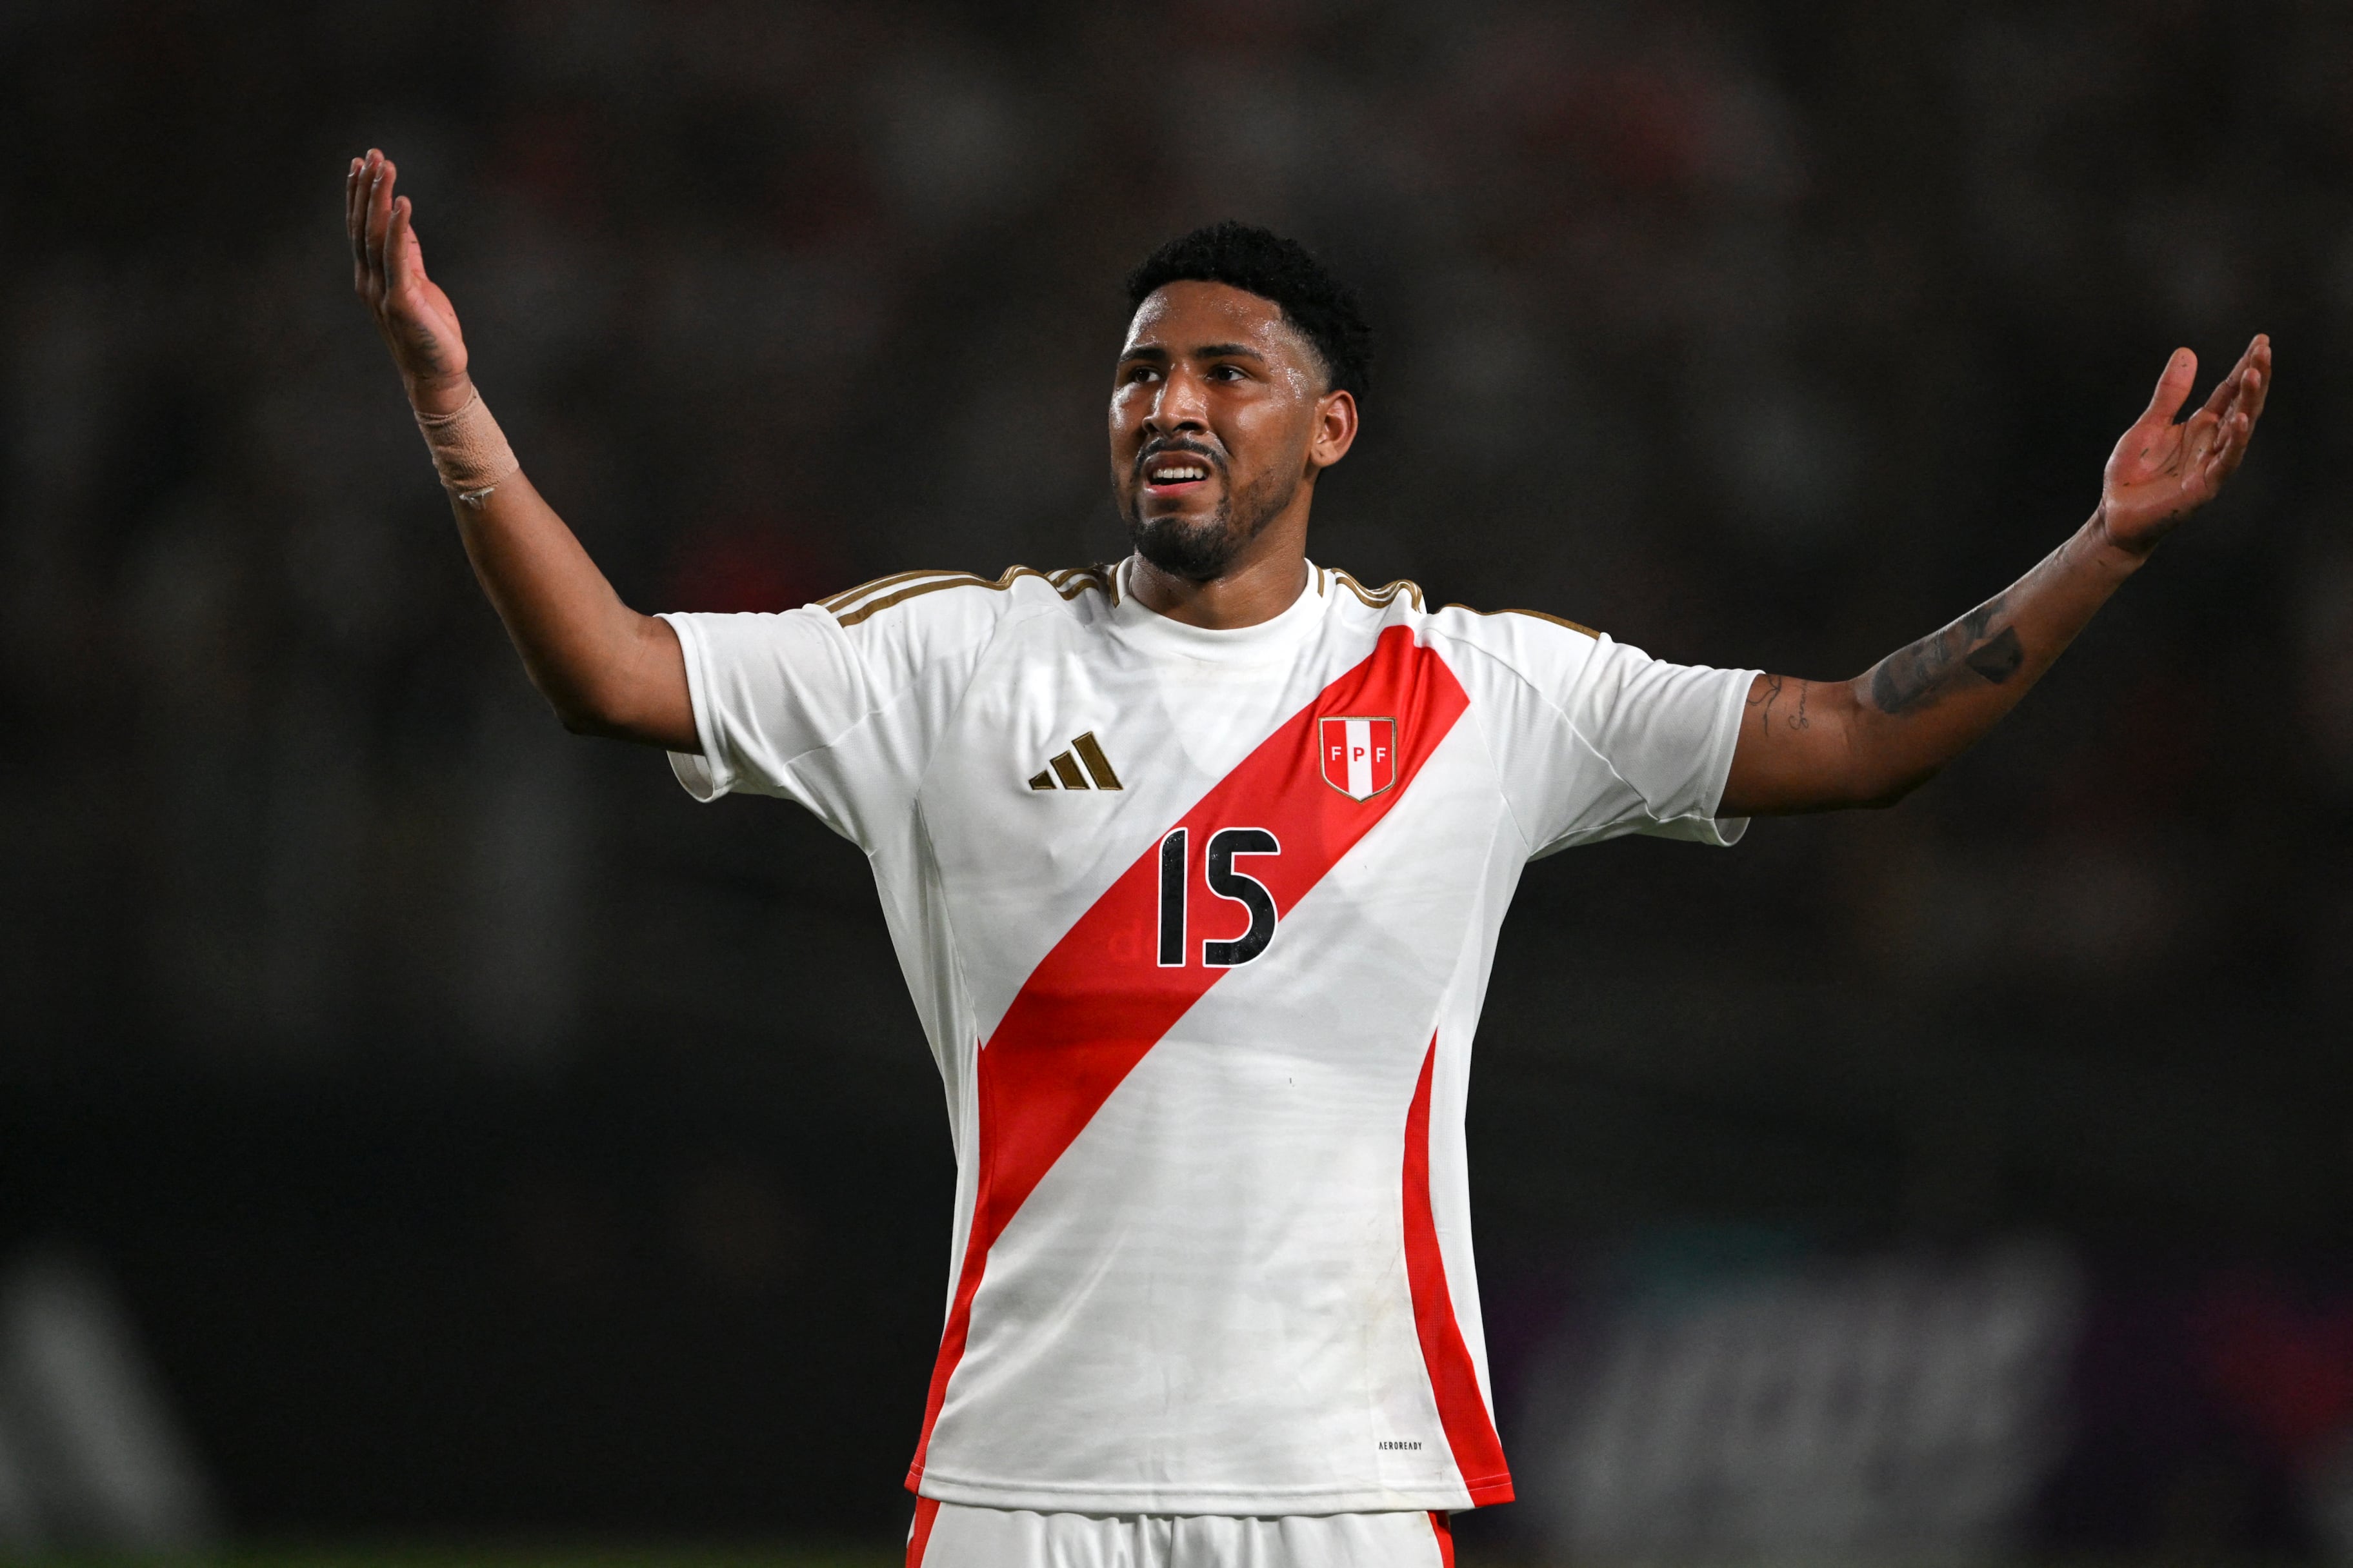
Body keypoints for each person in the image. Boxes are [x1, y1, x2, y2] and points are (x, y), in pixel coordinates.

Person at [345, 147, 2269, 1567]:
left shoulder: (1484, 694)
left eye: (1221, 373)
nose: (1167, 404)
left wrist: (2098, 550)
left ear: (1329, 424)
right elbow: (610, 674)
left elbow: (1863, 735)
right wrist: (450, 402)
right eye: (1137, 375)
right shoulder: (952, 659)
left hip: (1348, 1481)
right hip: (1029, 1481)